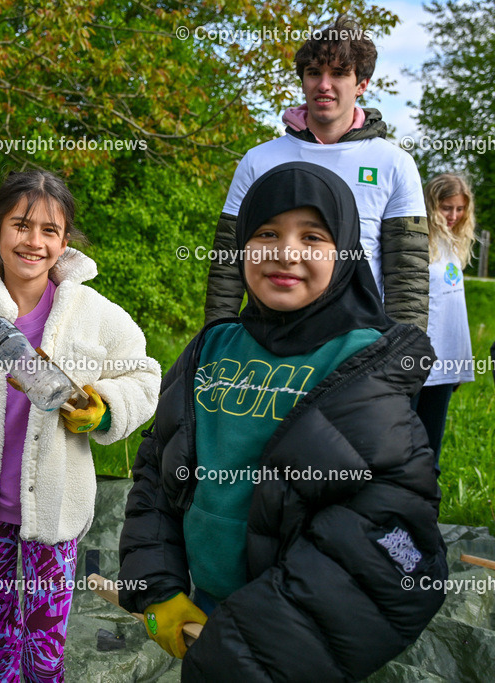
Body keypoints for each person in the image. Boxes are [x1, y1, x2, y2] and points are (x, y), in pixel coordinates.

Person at [119, 162, 447, 681]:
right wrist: (156, 584)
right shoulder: (211, 347)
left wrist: (244, 650)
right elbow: (156, 473)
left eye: (312, 237)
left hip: (287, 636)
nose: (285, 253)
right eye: (267, 233)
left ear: (345, 252)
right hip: (204, 605)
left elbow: (384, 548)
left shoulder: (366, 364)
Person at [0, 169, 160, 682]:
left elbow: (144, 374)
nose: (34, 241)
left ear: (64, 243)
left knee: (45, 652)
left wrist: (106, 407)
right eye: (20, 225)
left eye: (49, 230)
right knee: (0, 646)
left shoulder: (91, 314)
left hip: (54, 517)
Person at [204, 15, 429, 332]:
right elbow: (228, 263)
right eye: (313, 73)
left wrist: (404, 353)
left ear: (362, 85)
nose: (324, 85)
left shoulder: (395, 164)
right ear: (303, 81)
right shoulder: (259, 160)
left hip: (358, 340)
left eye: (338, 73)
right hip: (267, 338)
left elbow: (408, 276)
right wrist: (214, 339)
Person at [415, 173, 476, 466]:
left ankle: (429, 495)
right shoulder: (416, 242)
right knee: (404, 440)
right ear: (431, 204)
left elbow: (454, 310)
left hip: (446, 363)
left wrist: (460, 362)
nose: (453, 216)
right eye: (446, 208)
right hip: (415, 360)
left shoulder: (454, 244)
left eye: (460, 209)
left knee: (431, 446)